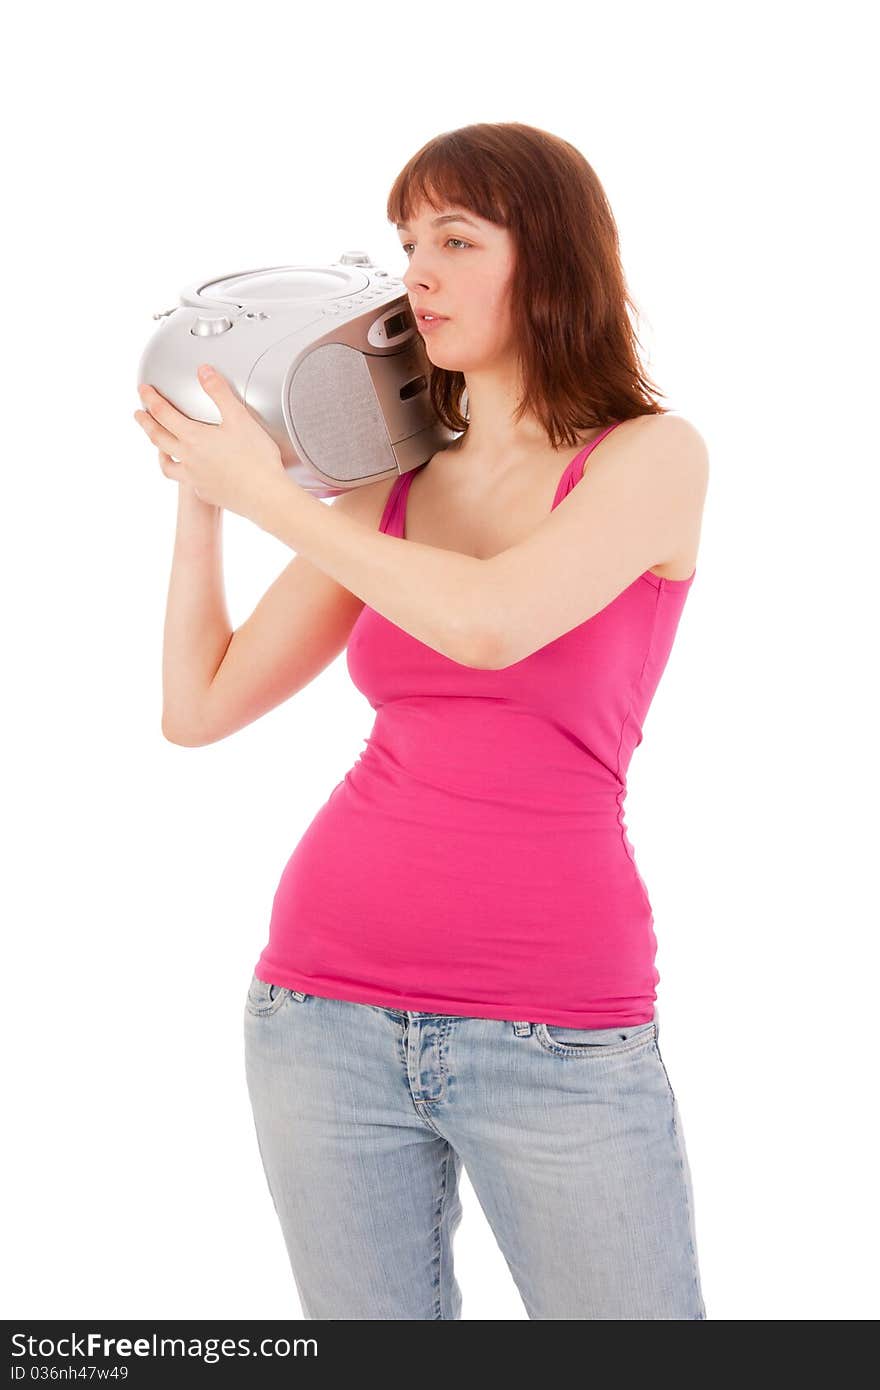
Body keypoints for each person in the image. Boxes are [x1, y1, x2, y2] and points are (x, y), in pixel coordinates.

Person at [167, 123, 709, 1319]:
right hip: (319, 1019)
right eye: (407, 240)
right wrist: (204, 505)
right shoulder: (391, 485)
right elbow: (198, 706)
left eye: (457, 238)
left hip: (558, 1038)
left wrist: (269, 494)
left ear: (553, 260)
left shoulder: (651, 458)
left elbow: (489, 624)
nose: (416, 271)